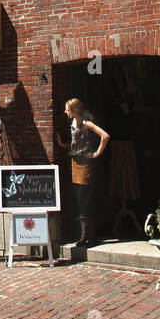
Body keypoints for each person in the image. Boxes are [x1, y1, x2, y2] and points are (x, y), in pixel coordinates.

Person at [56, 98, 110, 248]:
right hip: (75, 163)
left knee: (84, 200)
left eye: (67, 109)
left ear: (74, 110)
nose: (65, 112)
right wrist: (64, 145)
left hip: (85, 165)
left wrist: (97, 153)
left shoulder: (86, 123)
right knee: (80, 199)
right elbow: (76, 145)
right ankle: (87, 235)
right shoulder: (72, 124)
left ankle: (88, 236)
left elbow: (105, 136)